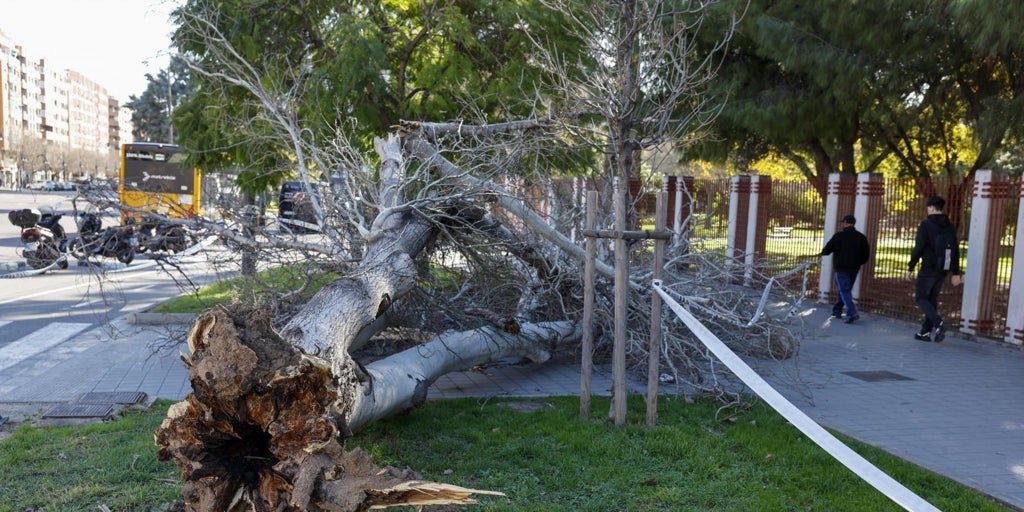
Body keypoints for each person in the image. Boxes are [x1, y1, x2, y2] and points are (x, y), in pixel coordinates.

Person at [906, 195, 962, 342]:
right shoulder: (949, 226)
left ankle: (939, 324)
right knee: (932, 299)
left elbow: (919, 248)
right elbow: (955, 249)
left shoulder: (926, 225)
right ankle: (925, 332)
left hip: (929, 268)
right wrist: (956, 272)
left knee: (920, 297)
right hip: (943, 268)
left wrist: (910, 267)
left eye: (928, 207)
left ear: (931, 208)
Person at [821, 214, 871, 323]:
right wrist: (858, 263)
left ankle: (852, 313)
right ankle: (837, 309)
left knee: (844, 290)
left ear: (845, 223)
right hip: (854, 268)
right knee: (845, 291)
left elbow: (827, 250)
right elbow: (866, 255)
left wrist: (823, 252)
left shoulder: (838, 236)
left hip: (841, 268)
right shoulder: (861, 237)